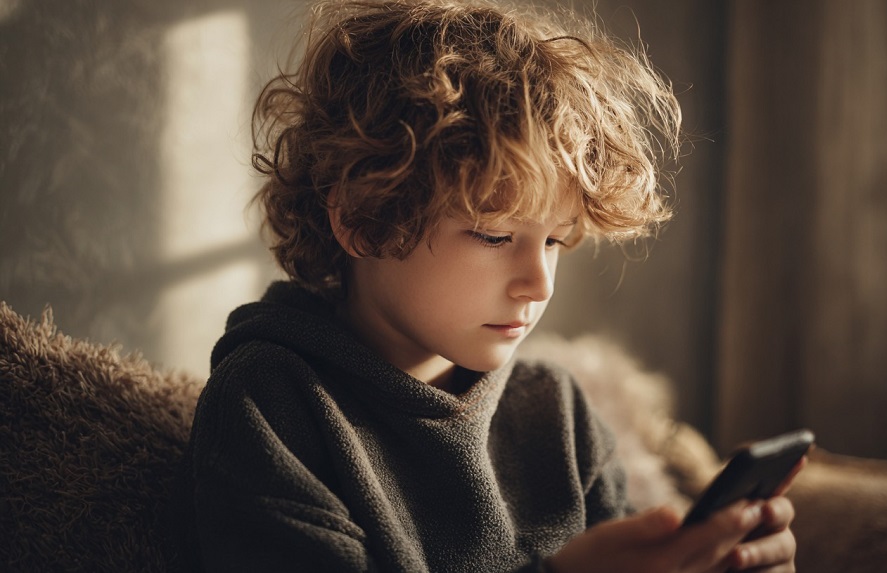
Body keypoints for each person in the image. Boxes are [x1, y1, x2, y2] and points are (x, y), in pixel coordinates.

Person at [176, 1, 798, 571]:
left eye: (554, 241)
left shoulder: (558, 411)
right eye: (496, 236)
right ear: (362, 220)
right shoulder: (271, 403)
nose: (539, 285)